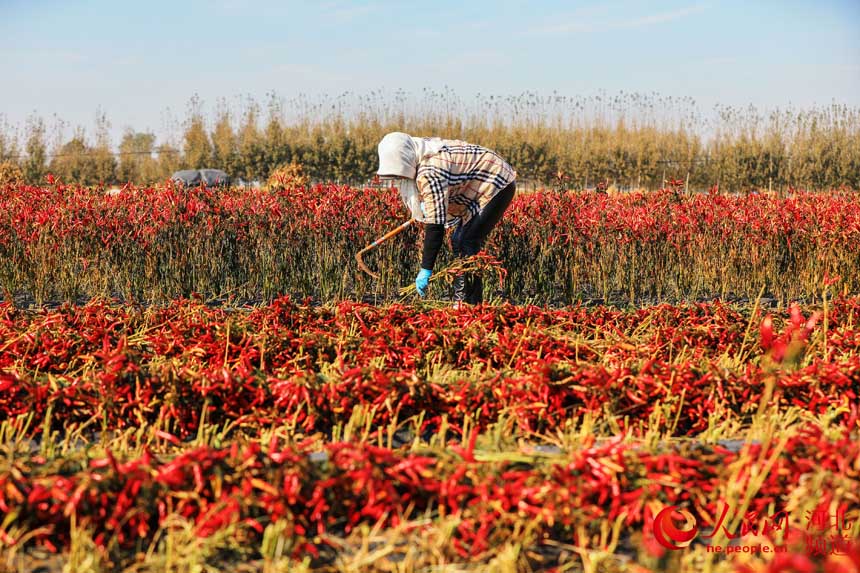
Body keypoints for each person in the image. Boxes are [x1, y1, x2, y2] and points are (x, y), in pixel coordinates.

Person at [376, 132, 517, 304]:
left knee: (465, 240)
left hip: (496, 181)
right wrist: (426, 205)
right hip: (480, 182)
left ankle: (467, 304)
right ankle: (469, 302)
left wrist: (426, 269)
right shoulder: (422, 153)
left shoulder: (430, 171)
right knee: (461, 240)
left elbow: (436, 225)